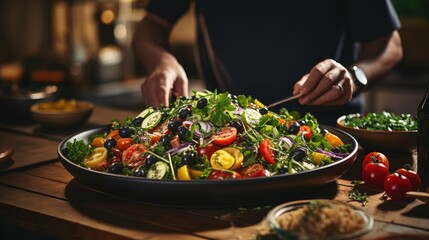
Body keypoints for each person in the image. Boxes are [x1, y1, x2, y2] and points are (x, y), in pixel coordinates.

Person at [132, 0, 403, 125]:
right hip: (225, 131)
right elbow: (152, 24)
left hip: (328, 134)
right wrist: (161, 61)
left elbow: (390, 45)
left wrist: (355, 78)